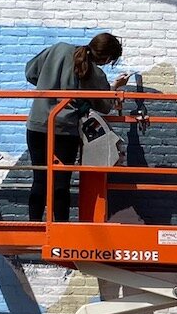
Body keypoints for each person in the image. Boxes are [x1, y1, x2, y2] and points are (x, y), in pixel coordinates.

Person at [24, 32, 128, 223]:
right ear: (105, 58)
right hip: (65, 130)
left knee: (39, 180)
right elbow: (104, 105)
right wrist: (114, 87)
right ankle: (61, 230)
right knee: (61, 184)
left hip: (37, 125)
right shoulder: (95, 73)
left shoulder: (58, 49)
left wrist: (48, 85)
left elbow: (30, 72)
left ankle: (35, 228)